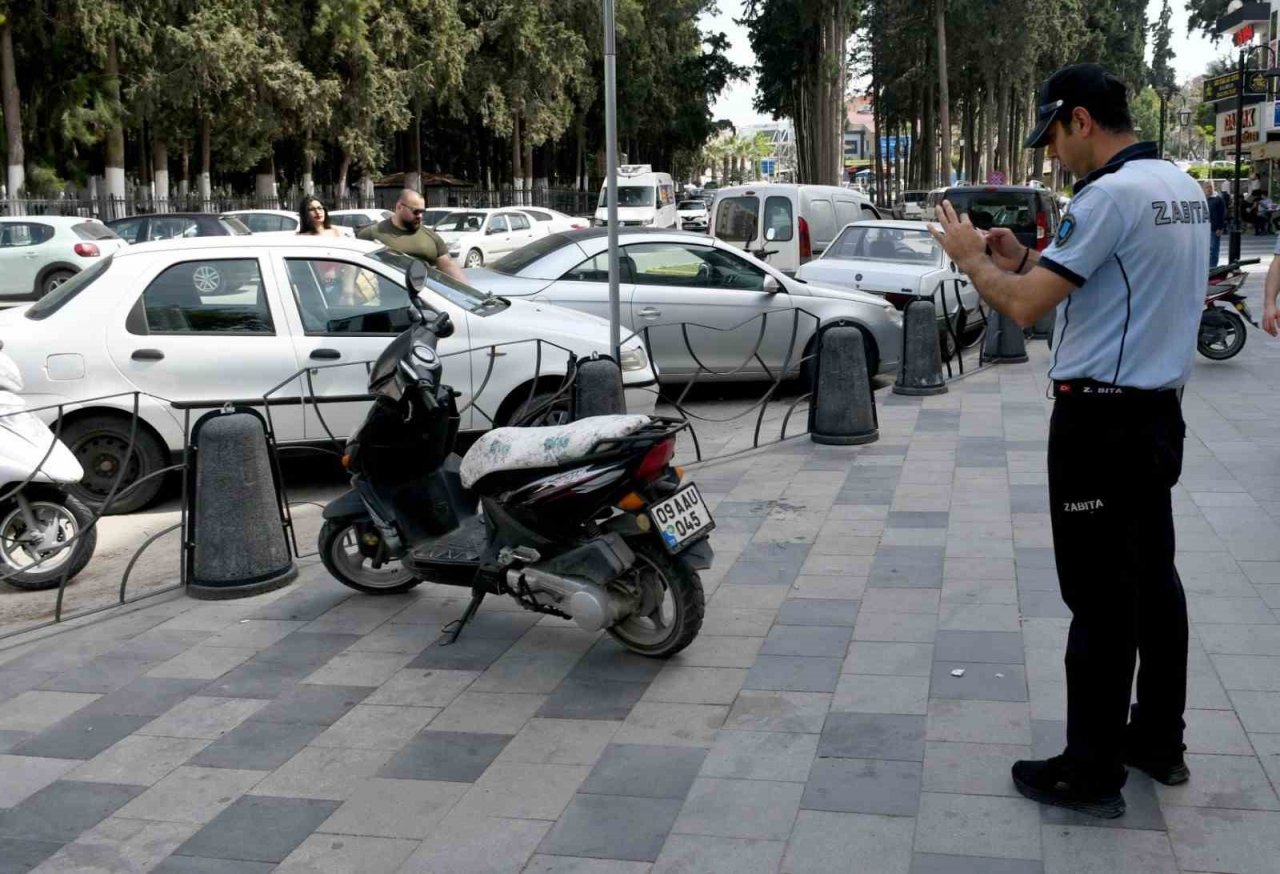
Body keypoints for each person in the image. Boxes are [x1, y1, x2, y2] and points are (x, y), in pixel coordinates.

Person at [930, 63, 1205, 820]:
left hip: (1100, 427)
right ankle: (1158, 740)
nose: (1053, 153)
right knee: (1154, 581)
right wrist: (1023, 257)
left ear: (1080, 120)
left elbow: (1020, 310)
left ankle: (1090, 771)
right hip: (1156, 417)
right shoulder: (1179, 187)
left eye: (1053, 135)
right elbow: (1116, 287)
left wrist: (972, 258)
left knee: (1098, 599)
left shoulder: (1107, 196)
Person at [357, 188, 467, 282]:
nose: (420, 216)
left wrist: (469, 295)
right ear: (400, 206)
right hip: (389, 302)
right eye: (416, 211)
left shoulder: (431, 237)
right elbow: (352, 267)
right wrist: (348, 293)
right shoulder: (372, 233)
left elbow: (448, 266)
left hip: (424, 299)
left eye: (422, 212)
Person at [1203, 181, 1225, 267]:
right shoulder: (1202, 199)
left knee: (1214, 250)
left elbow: (1222, 214)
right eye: (1207, 187)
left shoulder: (1218, 199)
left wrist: (1220, 228)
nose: (1209, 189)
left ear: (1213, 187)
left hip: (1214, 229)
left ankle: (1212, 268)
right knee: (1206, 250)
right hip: (1204, 229)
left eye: (1210, 187)